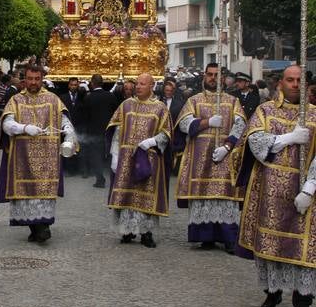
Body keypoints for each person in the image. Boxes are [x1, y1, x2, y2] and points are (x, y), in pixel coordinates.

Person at [237, 65, 316, 307]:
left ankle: (303, 305)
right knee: (271, 246)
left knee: (306, 251)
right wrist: (289, 138)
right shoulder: (266, 110)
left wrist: (310, 188)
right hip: (270, 189)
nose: (294, 84)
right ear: (280, 83)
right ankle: (272, 294)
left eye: (299, 81)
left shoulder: (315, 115)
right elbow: (256, 142)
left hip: (305, 192)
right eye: (290, 80)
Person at [0, 63, 77, 243]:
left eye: (37, 79)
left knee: (43, 193)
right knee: (25, 193)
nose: (33, 82)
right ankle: (35, 227)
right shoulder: (16, 100)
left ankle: (43, 227)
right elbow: (6, 124)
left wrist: (70, 138)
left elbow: (65, 122)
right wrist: (24, 128)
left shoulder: (53, 99)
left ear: (42, 79)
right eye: (30, 79)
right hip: (22, 157)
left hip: (47, 157)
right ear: (25, 79)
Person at [175, 62, 246, 253]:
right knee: (202, 195)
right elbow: (184, 124)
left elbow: (240, 125)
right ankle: (205, 236)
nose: (213, 78)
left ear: (223, 78)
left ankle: (229, 238)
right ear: (204, 76)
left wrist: (227, 145)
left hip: (225, 156)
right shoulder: (194, 100)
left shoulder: (232, 101)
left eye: (217, 75)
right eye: (210, 74)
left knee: (225, 195)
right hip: (200, 157)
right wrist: (207, 122)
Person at [107, 73, 172, 247]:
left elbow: (166, 133)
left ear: (152, 86)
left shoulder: (160, 108)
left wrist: (152, 141)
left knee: (146, 196)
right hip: (126, 157)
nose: (138, 87)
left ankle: (146, 233)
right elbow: (117, 131)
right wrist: (114, 154)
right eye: (137, 83)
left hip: (148, 158)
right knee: (126, 194)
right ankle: (127, 231)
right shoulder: (126, 105)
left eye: (143, 84)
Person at [80, 74, 116, 187]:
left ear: (92, 83)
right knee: (110, 154)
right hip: (108, 131)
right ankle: (114, 179)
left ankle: (100, 179)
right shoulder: (110, 96)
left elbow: (84, 116)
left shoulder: (88, 97)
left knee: (96, 156)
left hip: (93, 132)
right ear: (102, 83)